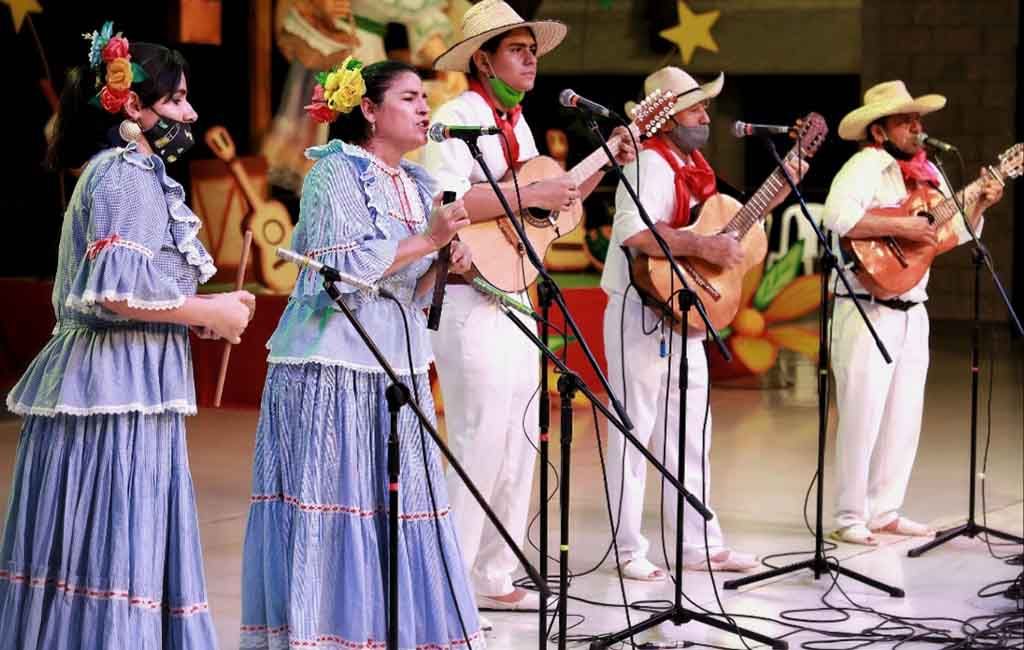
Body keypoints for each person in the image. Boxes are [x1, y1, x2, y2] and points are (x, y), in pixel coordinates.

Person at [0, 22, 254, 647]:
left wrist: (204, 308)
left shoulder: (134, 173)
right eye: (175, 100)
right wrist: (206, 313)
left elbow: (138, 288)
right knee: (110, 533)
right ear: (132, 105)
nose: (190, 112)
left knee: (119, 533)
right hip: (109, 383)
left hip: (125, 378)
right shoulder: (123, 173)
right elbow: (114, 295)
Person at [239, 58, 483, 649]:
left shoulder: (419, 183)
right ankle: (327, 635)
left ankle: (386, 632)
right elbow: (343, 269)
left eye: (424, 97)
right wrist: (430, 240)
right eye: (408, 98)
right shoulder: (334, 174)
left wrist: (445, 266)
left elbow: (410, 288)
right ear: (368, 111)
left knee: (398, 508)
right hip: (331, 366)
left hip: (395, 363)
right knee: (336, 503)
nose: (425, 107)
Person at [423, 0, 635, 612]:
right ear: (482, 59)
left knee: (521, 438)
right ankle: (449, 577)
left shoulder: (518, 127)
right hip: (468, 299)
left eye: (533, 50)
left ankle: (495, 572)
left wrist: (601, 165)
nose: (531, 59)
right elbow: (453, 200)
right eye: (517, 50)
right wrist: (531, 190)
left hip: (515, 293)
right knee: (478, 436)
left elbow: (548, 212)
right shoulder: (455, 115)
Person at [601, 67, 804, 581]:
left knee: (693, 433)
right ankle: (628, 549)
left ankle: (698, 544)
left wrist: (777, 192)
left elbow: (721, 227)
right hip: (640, 309)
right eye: (696, 108)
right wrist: (702, 246)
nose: (706, 115)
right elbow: (631, 232)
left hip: (685, 310)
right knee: (633, 432)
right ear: (667, 117)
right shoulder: (649, 163)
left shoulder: (697, 168)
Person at [824, 80, 1003, 546]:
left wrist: (979, 201)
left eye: (918, 120)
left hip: (912, 306)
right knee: (863, 413)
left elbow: (948, 235)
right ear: (879, 131)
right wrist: (902, 223)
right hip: (865, 307)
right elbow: (837, 218)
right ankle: (849, 514)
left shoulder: (930, 173)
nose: (917, 128)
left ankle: (885, 509)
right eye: (906, 121)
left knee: (905, 414)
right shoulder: (865, 165)